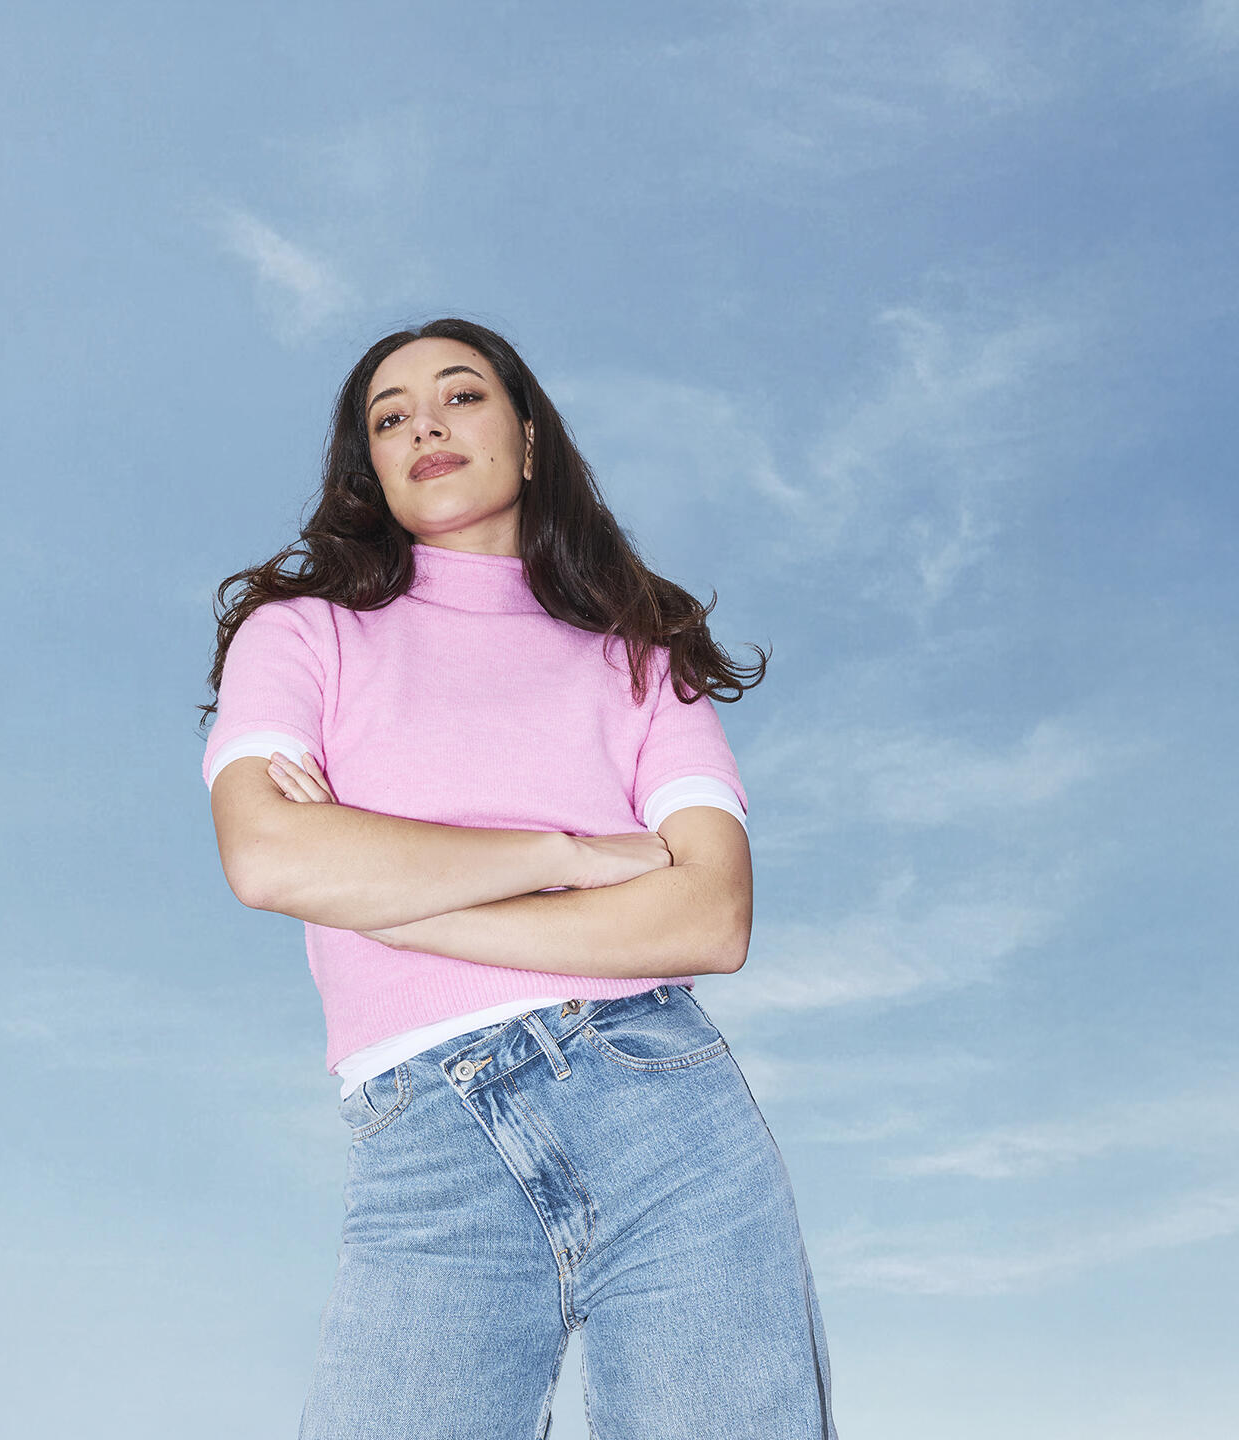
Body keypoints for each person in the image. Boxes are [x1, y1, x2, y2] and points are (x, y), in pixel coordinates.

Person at [198, 317, 837, 1439]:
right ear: (370, 466)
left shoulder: (645, 653)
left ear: (531, 439)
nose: (425, 425)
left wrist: (385, 890)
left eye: (462, 396)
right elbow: (270, 857)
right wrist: (570, 860)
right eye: (390, 418)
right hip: (424, 1150)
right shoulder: (298, 636)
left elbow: (711, 914)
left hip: (661, 1107)